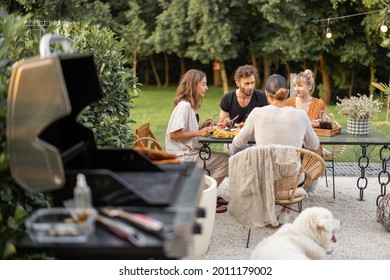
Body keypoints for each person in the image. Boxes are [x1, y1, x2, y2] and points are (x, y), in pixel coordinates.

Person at [232, 74, 320, 224]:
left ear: (266, 93)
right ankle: (285, 212)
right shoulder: (301, 116)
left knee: (265, 168)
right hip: (292, 183)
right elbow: (314, 146)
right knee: (291, 169)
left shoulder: (257, 113)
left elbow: (237, 143)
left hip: (263, 180)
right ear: (287, 92)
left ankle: (266, 210)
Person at [165, 69, 229, 213]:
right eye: (204, 84)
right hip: (183, 156)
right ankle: (204, 198)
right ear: (194, 85)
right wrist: (198, 132)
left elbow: (184, 131)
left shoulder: (189, 106)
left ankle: (206, 193)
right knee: (226, 161)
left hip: (188, 152)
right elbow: (173, 134)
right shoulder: (184, 106)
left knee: (221, 160)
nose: (206, 88)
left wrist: (201, 127)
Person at [286, 69, 327, 196]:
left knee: (316, 151)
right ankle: (295, 183)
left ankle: (312, 180)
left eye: (300, 85)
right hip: (293, 141)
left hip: (311, 142)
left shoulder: (319, 104)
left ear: (309, 87)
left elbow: (323, 127)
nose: (296, 89)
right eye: (295, 86)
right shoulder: (289, 102)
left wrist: (317, 123)